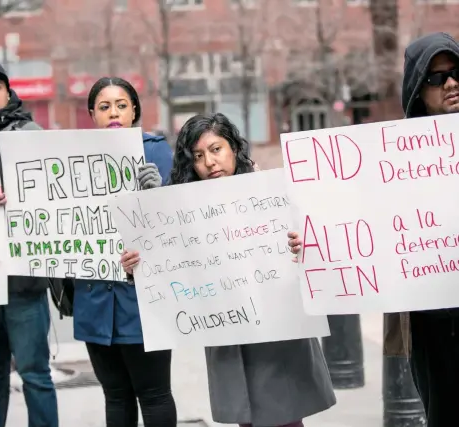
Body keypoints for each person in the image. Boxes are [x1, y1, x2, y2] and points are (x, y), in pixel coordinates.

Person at [287, 32, 459, 427]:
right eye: (436, 78)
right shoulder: (391, 156)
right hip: (432, 320)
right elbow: (350, 220)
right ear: (418, 88)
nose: (450, 84)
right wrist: (312, 240)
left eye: (456, 73)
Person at [121, 112, 336, 427]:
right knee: (246, 416)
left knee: (285, 415)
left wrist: (300, 244)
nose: (209, 162)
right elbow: (170, 266)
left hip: (275, 331)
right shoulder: (183, 209)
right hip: (228, 330)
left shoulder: (268, 192)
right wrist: (136, 261)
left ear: (234, 148)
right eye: (198, 156)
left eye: (216, 149)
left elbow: (311, 244)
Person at [73, 77, 176, 427]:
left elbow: (181, 224)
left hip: (144, 298)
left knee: (154, 393)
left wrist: (159, 193)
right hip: (94, 298)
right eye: (104, 106)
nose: (113, 112)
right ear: (92, 115)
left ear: (134, 111)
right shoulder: (72, 157)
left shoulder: (157, 151)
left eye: (121, 104)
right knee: (115, 395)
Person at [0, 61, 58, 427]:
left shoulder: (29, 133)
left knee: (34, 374)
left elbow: (54, 197)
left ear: (7, 92)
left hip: (22, 280)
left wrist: (20, 198)